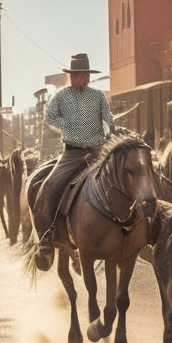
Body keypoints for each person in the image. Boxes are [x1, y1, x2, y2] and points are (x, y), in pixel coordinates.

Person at [33, 53, 116, 263]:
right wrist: (67, 127)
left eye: (83, 75)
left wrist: (112, 132)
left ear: (88, 76)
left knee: (122, 178)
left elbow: (108, 118)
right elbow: (49, 117)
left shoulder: (98, 96)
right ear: (71, 76)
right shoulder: (61, 96)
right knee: (51, 184)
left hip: (98, 152)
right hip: (71, 153)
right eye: (76, 76)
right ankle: (46, 237)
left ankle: (128, 229)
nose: (80, 79)